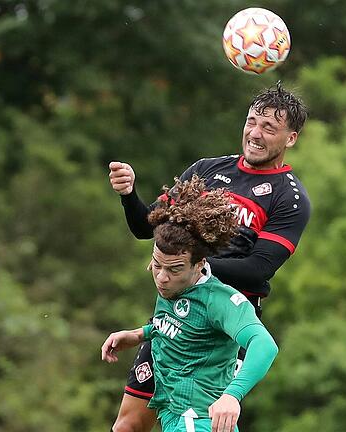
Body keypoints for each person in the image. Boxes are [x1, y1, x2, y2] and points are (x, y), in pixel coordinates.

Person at [107, 82, 310, 431]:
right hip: (174, 317)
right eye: (251, 122)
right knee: (128, 426)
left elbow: (257, 270)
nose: (255, 134)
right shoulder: (207, 169)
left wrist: (194, 267)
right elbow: (147, 227)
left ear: (290, 138)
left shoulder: (289, 198)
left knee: (202, 423)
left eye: (269, 127)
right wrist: (129, 194)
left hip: (222, 327)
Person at [101, 176, 279, 432]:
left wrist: (232, 395)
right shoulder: (174, 283)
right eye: (157, 265)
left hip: (196, 421)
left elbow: (265, 346)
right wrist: (140, 334)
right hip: (176, 418)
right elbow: (181, 323)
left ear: (200, 264)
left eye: (173, 269)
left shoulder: (219, 300)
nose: (162, 277)